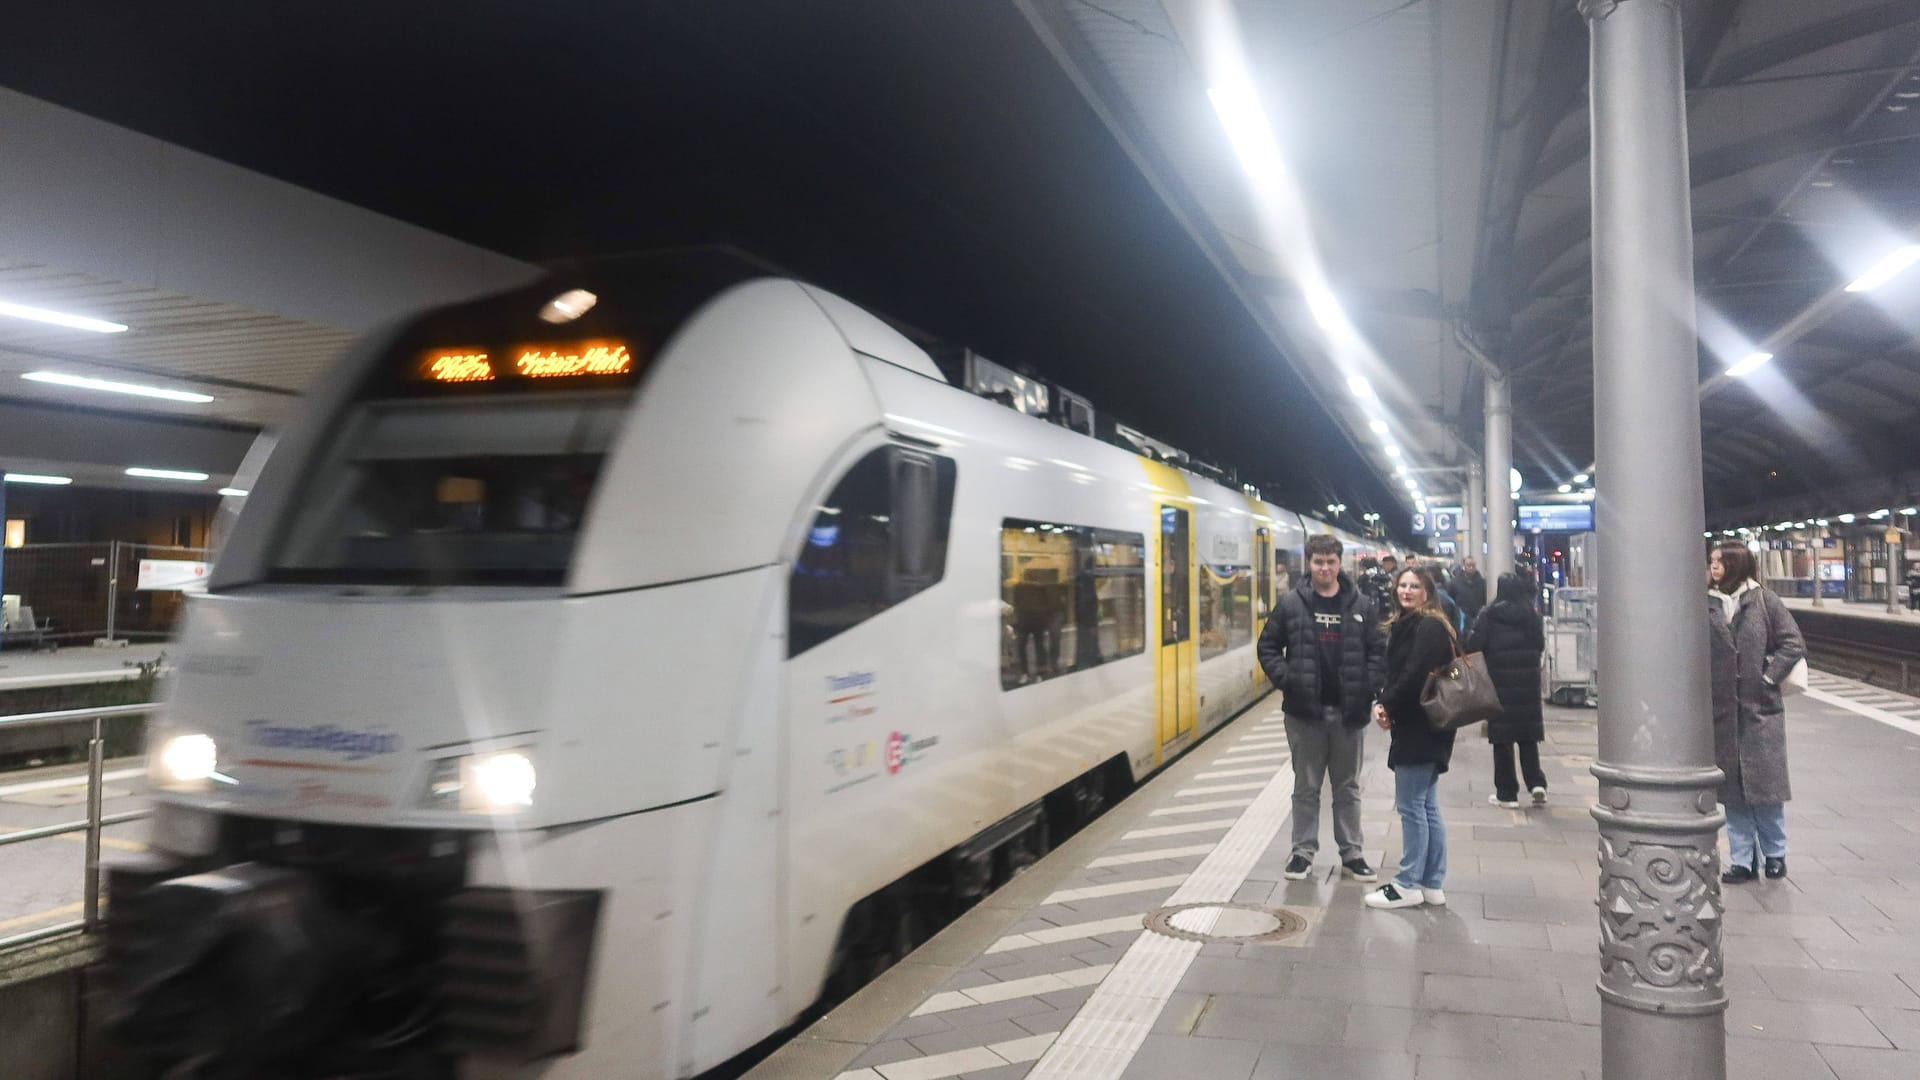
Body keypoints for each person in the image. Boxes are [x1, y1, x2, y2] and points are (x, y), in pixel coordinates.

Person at [1257, 534, 1386, 883]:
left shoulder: (1361, 605)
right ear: (1310, 564)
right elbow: (1267, 646)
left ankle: (1352, 853)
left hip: (1349, 715)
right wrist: (1290, 680)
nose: (1325, 568)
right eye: (1318, 562)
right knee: (1306, 786)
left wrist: (1367, 688)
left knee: (1347, 787)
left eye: (1330, 562)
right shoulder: (1291, 604)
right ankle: (1302, 853)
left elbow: (1378, 651)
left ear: (1339, 563)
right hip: (1304, 714)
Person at [1709, 541, 1806, 883]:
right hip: (1723, 713)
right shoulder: (1708, 604)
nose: (1714, 567)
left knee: (1767, 792)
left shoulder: (1764, 601)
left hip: (1760, 712)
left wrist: (1768, 677)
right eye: (1712, 562)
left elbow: (1793, 643)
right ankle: (1742, 860)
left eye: (1719, 562)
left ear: (1736, 565)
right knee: (1733, 794)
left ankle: (1775, 855)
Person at [1365, 565, 1458, 909]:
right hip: (1427, 726)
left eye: (1414, 586)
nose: (1406, 591)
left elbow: (1414, 673)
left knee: (1411, 808)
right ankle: (1432, 883)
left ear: (1427, 591)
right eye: (1402, 585)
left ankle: (1407, 884)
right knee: (1426, 805)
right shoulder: (1421, 624)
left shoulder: (1428, 626)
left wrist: (1384, 703)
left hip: (1421, 727)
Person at [1467, 573, 1547, 808]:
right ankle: (1536, 783)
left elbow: (1473, 645)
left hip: (1498, 682)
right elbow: (1539, 645)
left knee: (1502, 740)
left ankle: (1507, 793)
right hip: (1527, 685)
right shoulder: (1531, 616)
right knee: (1527, 736)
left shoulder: (1489, 614)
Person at [1449, 557, 1488, 625]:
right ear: (1463, 566)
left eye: (1473, 565)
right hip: (1461, 619)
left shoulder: (1482, 583)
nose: (1471, 567)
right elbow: (1451, 600)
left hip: (1478, 619)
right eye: (1468, 565)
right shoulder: (1455, 582)